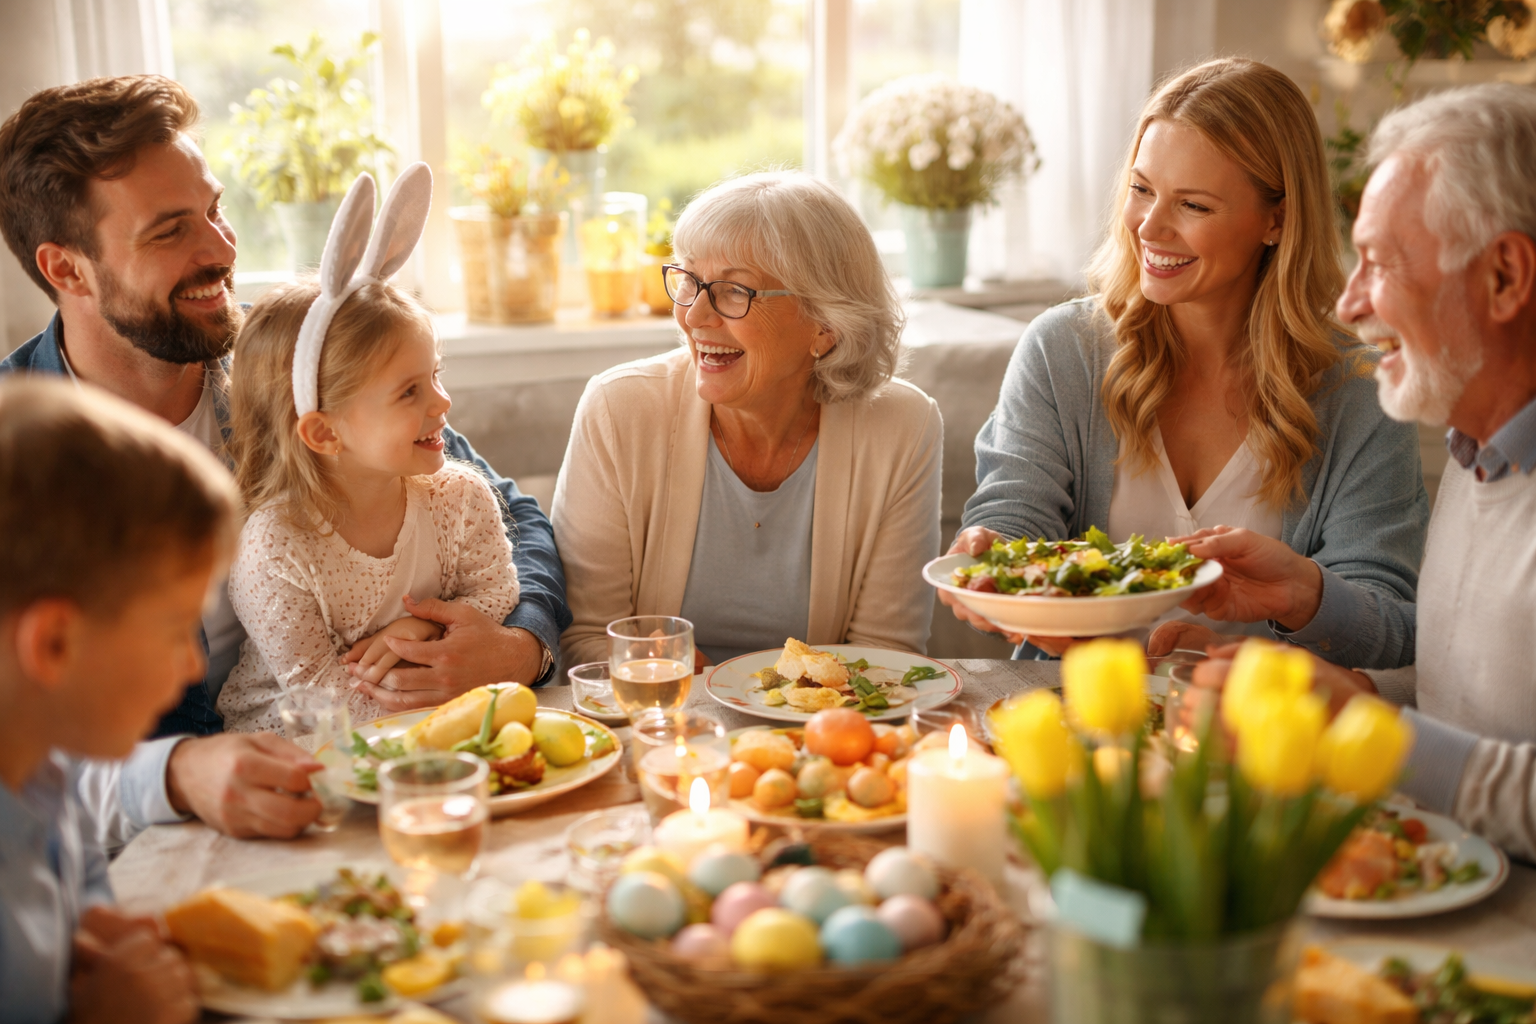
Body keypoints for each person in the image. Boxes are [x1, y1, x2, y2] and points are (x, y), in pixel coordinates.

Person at [0, 76, 570, 842]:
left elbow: (508, 516)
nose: (221, 251)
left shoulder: (291, 360)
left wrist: (517, 646)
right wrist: (173, 773)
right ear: (66, 269)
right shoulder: (20, 454)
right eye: (170, 232)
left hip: (361, 778)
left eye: (216, 210)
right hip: (135, 842)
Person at [939, 58, 1427, 666]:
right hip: (1069, 708)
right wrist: (990, 553)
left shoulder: (1361, 391)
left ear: (1276, 220)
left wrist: (1264, 641)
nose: (1150, 226)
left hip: (1252, 718)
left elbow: (1391, 623)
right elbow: (1013, 518)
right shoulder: (1063, 349)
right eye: (1141, 189)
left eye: (1193, 205)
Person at [1186, 84, 1536, 861]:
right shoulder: (1478, 453)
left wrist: (1373, 731)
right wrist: (1340, 687)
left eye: (1379, 263)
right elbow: (1477, 709)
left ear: (1505, 277)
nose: (1348, 305)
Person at [554, 171, 942, 667]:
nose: (694, 316)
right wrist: (685, 683)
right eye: (689, 280)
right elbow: (584, 638)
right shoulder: (618, 409)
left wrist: (761, 700)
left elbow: (885, 656)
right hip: (665, 710)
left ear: (826, 326)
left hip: (826, 716)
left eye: (735, 291)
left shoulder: (904, 427)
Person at [218, 167, 519, 732]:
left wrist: (426, 629)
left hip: (426, 720)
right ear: (324, 433)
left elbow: (497, 590)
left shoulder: (458, 496)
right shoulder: (275, 547)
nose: (442, 402)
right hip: (305, 740)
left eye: (436, 375)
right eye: (409, 391)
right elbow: (322, 701)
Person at [0, 376, 239, 1023]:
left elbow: (88, 920)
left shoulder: (47, 780)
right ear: (54, 644)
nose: (194, 664)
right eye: (175, 629)